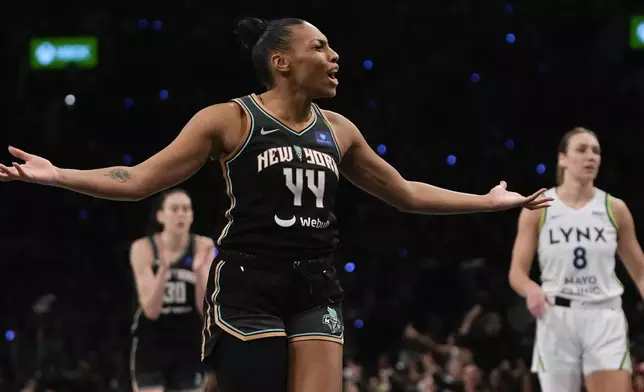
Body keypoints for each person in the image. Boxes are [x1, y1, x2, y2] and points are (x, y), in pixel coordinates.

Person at [1, 17, 551, 392]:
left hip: (315, 283)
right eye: (321, 47)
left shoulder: (339, 130)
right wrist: (58, 176)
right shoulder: (230, 119)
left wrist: (485, 201)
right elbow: (139, 179)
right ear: (282, 61)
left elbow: (406, 193)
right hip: (248, 284)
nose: (335, 56)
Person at [509, 127, 644, 392]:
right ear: (562, 159)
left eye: (596, 151)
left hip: (604, 315)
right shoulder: (539, 207)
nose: (591, 157)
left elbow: (640, 272)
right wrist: (531, 289)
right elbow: (516, 272)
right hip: (557, 316)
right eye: (581, 150)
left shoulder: (614, 208)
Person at [129, 188, 215, 392]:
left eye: (186, 209)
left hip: (189, 339)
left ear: (192, 215)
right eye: (174, 209)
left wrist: (200, 272)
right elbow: (151, 310)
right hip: (152, 340)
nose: (181, 214)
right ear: (161, 216)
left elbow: (204, 311)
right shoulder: (144, 248)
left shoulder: (203, 246)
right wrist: (164, 270)